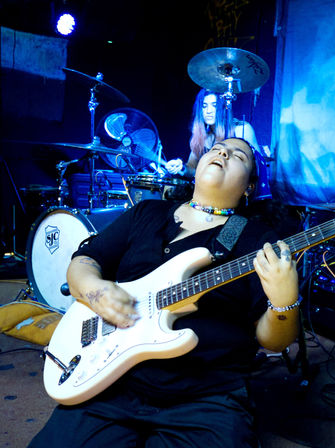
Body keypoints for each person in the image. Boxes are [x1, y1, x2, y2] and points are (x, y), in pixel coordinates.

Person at [29, 137, 300, 448]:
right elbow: (86, 260)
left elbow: (272, 340)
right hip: (111, 376)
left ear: (249, 186)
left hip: (207, 393)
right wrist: (95, 289)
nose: (223, 152)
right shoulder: (147, 212)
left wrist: (284, 302)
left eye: (238, 155)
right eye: (216, 149)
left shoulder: (258, 240)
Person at [166, 89, 261, 178]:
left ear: (223, 107)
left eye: (214, 105)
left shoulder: (241, 129)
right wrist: (181, 168)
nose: (208, 111)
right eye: (204, 106)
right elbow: (192, 168)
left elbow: (259, 166)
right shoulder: (202, 137)